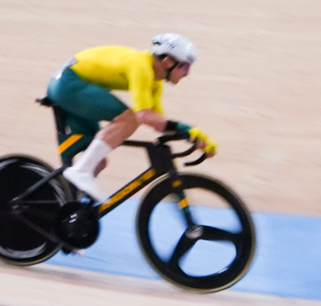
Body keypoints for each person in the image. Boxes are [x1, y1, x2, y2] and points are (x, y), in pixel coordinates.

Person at [51, 34, 215, 202]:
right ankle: (80, 171)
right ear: (167, 61)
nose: (187, 74)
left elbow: (158, 122)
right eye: (185, 67)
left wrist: (193, 137)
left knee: (98, 162)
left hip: (72, 85)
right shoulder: (140, 66)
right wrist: (185, 128)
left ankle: (73, 208)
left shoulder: (154, 81)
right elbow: (143, 116)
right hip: (69, 83)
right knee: (130, 119)